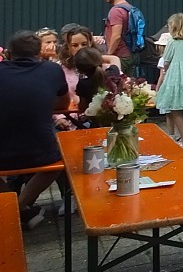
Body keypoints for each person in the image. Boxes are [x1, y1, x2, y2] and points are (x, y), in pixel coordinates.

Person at [0, 31, 68, 229]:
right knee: (61, 160)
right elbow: (63, 103)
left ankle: (11, 208)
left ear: (9, 53)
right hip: (42, 151)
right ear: (39, 52)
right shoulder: (51, 70)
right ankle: (20, 206)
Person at [155, 13, 183, 147]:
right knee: (176, 109)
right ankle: (181, 137)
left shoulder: (172, 42)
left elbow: (166, 60)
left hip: (174, 78)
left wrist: (166, 68)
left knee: (174, 108)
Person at [96, 0, 137, 74]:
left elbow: (116, 35)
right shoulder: (130, 8)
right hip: (131, 54)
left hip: (119, 56)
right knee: (127, 85)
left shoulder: (116, 11)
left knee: (112, 83)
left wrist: (109, 55)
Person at [72, 43, 122, 113]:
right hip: (118, 116)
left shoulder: (83, 84)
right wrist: (96, 59)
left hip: (96, 121)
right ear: (100, 61)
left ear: (79, 69)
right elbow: (114, 58)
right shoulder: (112, 73)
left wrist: (77, 100)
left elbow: (83, 108)